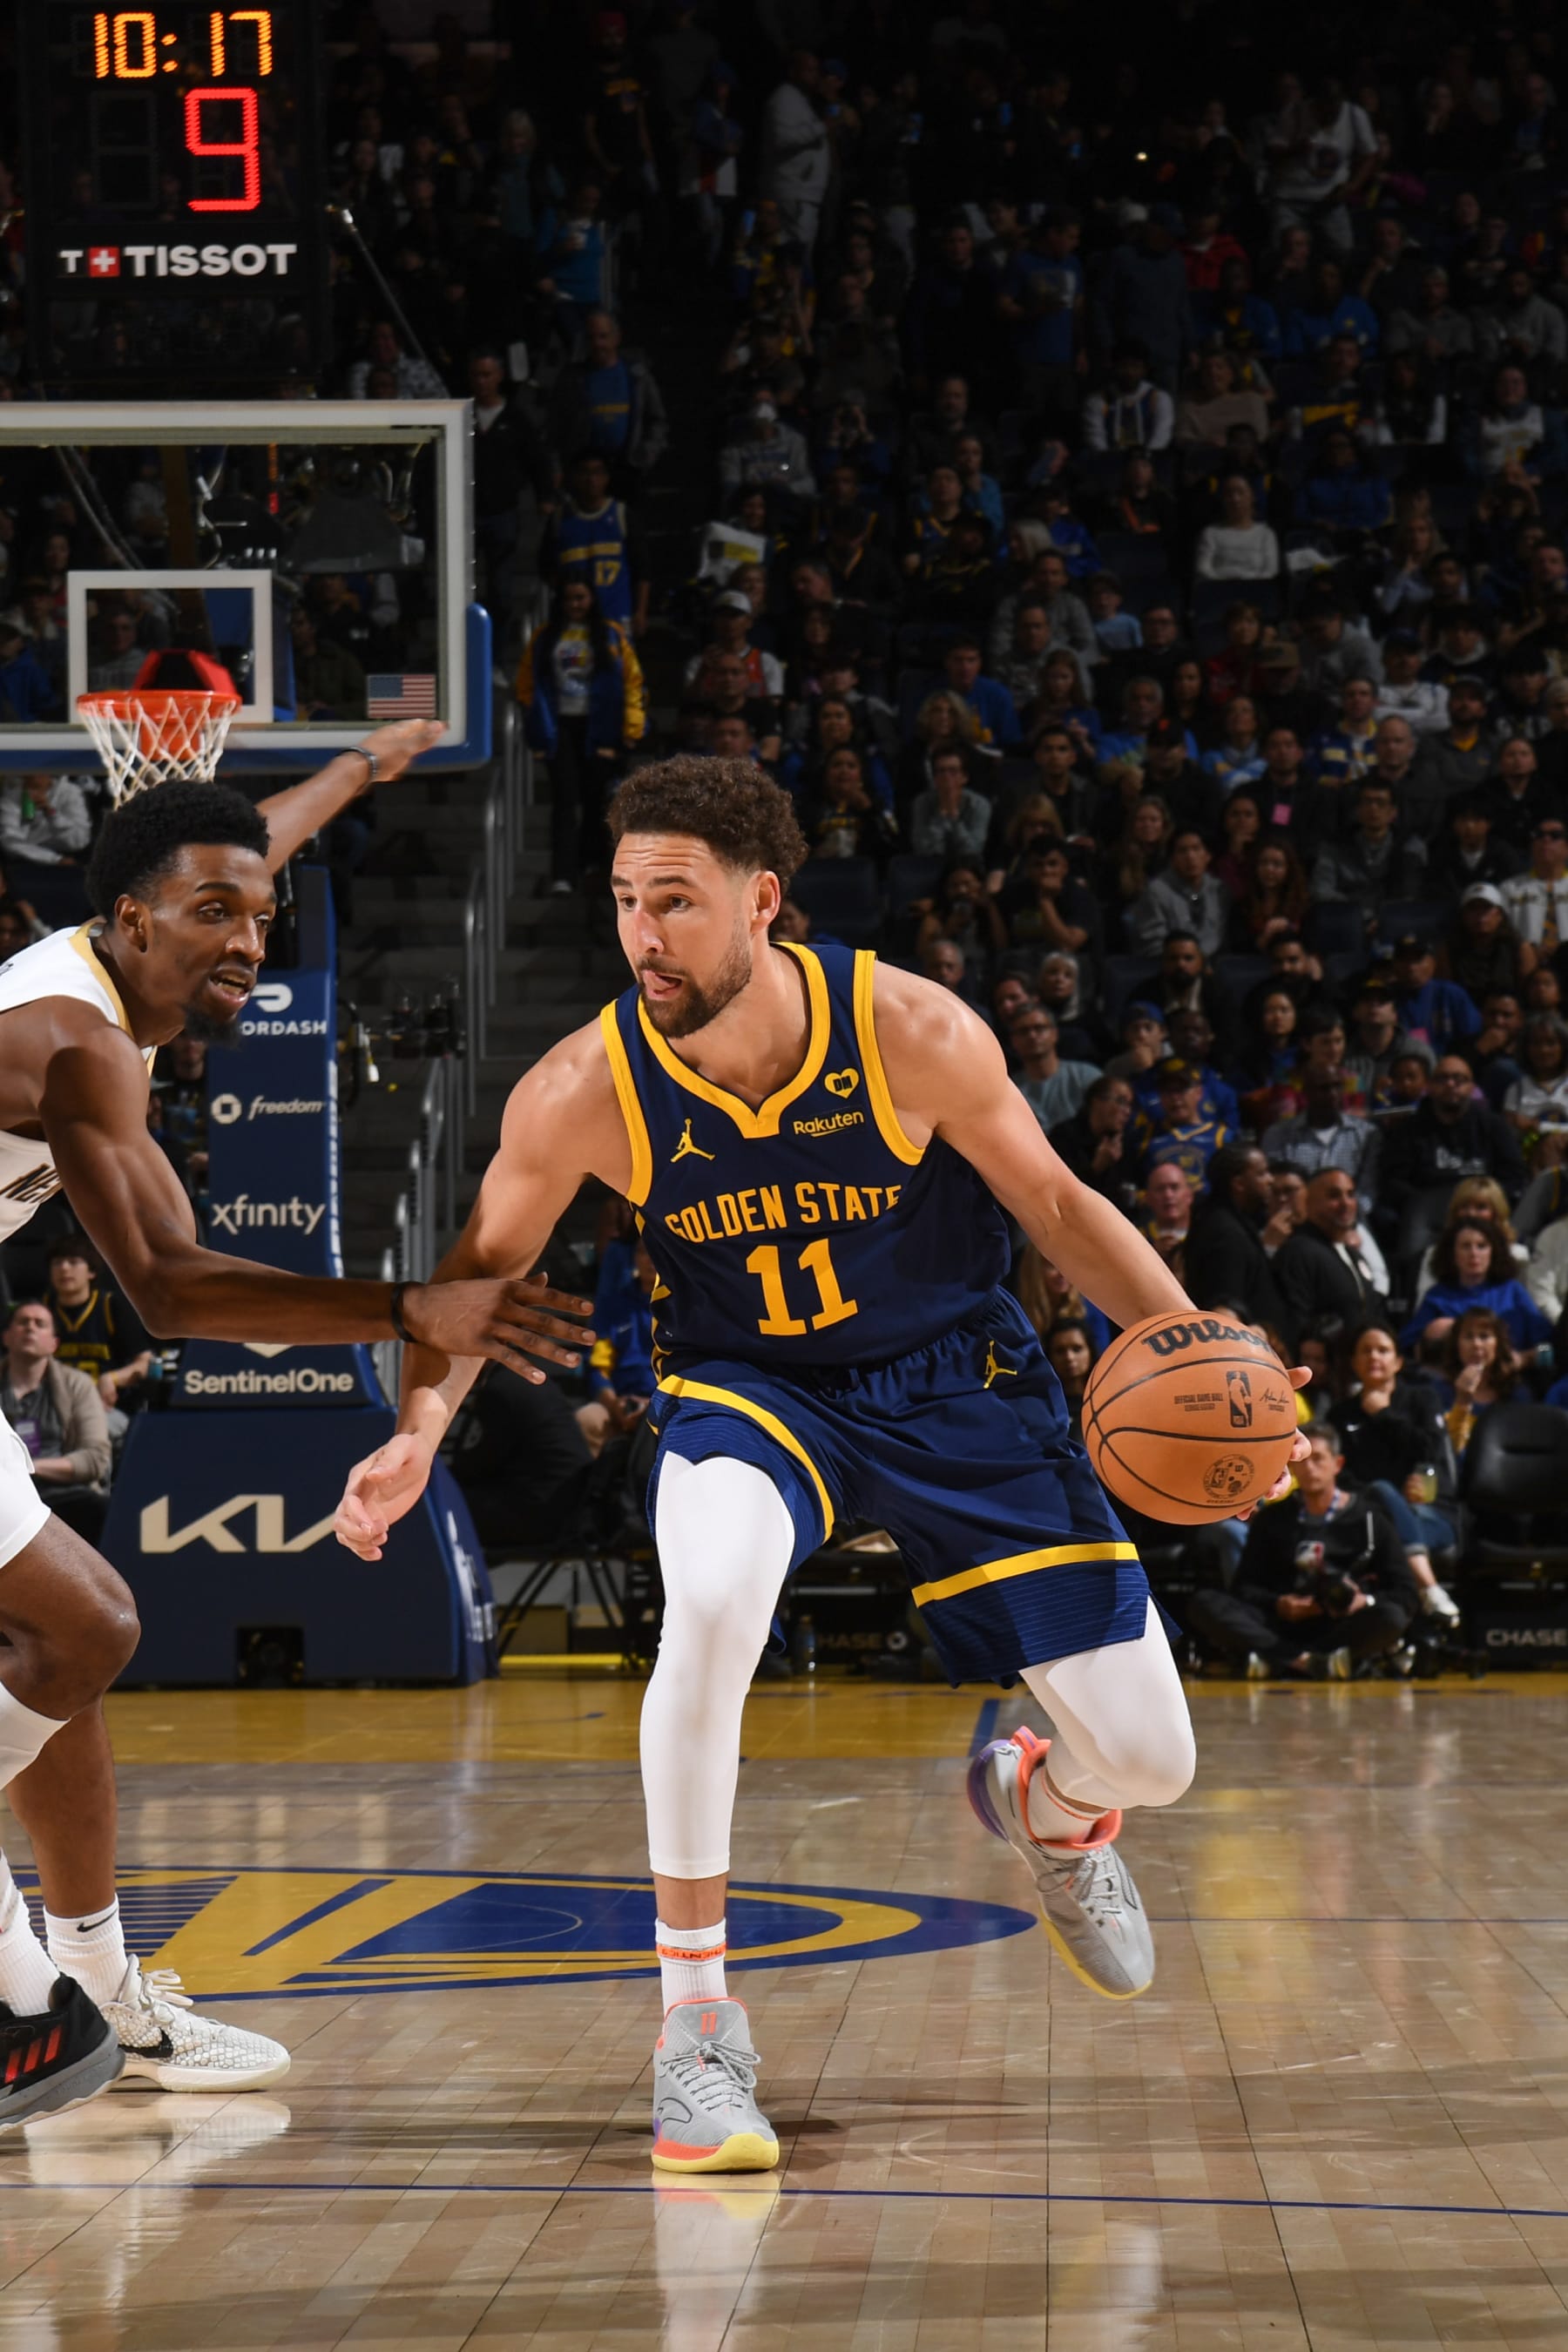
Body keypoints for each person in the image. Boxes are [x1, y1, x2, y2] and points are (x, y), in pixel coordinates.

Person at [330, 754, 1307, 2174]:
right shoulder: (583, 1090)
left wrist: (1218, 1366)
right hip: (755, 1388)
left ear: (763, 903)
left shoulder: (908, 1027)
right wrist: (416, 1435)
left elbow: (1057, 1203)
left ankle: (1048, 1804)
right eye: (624, 903)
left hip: (954, 1382)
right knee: (714, 1607)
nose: (643, 935)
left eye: (676, 902)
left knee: (1156, 1761)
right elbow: (478, 1274)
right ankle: (696, 2035)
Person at [0, 728, 591, 2127]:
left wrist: (360, 773)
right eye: (215, 920)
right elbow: (167, 1289)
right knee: (85, 1630)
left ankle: (88, 1992)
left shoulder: (124, 952)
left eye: (261, 922)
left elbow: (245, 846)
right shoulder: (77, 1046)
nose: (248, 944)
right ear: (130, 918)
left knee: (59, 1646)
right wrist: (412, 1307)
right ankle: (62, 1993)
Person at [1186, 1423, 1417, 1679]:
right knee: (1205, 1603)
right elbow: (1244, 1588)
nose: (1309, 1469)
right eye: (1303, 1461)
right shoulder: (1273, 1519)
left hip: (1338, 1625)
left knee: (1391, 1616)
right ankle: (1311, 1663)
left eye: (1318, 1459)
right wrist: (1280, 1604)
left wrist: (1365, 1600)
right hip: (1282, 1623)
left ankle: (1280, 1660)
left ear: (1337, 1464)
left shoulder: (1370, 1519)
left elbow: (1404, 1591)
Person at [516, 578, 646, 893]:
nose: (575, 604)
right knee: (564, 801)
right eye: (569, 598)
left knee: (596, 801)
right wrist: (535, 734)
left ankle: (593, 866)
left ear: (592, 599)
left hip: (600, 727)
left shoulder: (612, 634)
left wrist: (631, 730)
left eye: (581, 597)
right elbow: (526, 685)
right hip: (559, 728)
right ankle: (562, 874)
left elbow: (632, 682)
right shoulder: (544, 637)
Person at [0, 1301, 110, 1546]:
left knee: (99, 1508)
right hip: (4, 1496)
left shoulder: (78, 1385)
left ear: (54, 1343)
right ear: (6, 1337)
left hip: (61, 1493)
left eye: (40, 1324)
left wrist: (29, 1467)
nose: (30, 1328)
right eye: (22, 1322)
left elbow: (95, 1459)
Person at [1399, 1217, 1553, 1361]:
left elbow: (1549, 1351)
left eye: (1482, 1246)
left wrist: (1522, 1360)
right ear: (1452, 1253)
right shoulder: (1438, 1297)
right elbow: (1407, 1347)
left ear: (1493, 1251)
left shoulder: (1513, 1292)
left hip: (1510, 1381)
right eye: (1466, 1246)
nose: (1474, 1253)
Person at [1183, 1143, 1290, 1334]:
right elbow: (1225, 1306)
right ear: (1239, 1183)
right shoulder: (1224, 1233)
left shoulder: (1229, 1222)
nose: (1270, 1180)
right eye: (1262, 1174)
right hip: (1242, 1350)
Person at [1274, 1168, 1389, 1341]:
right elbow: (1295, 1323)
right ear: (1308, 1201)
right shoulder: (1298, 1252)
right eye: (1334, 1196)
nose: (1345, 1203)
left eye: (1350, 1195)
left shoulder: (1352, 1253)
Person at [1006, 1003, 1100, 1132]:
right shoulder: (1009, 1091)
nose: (1032, 1036)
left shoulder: (1087, 1077)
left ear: (1054, 1034)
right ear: (1013, 1041)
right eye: (1023, 1031)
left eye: (1039, 1028)